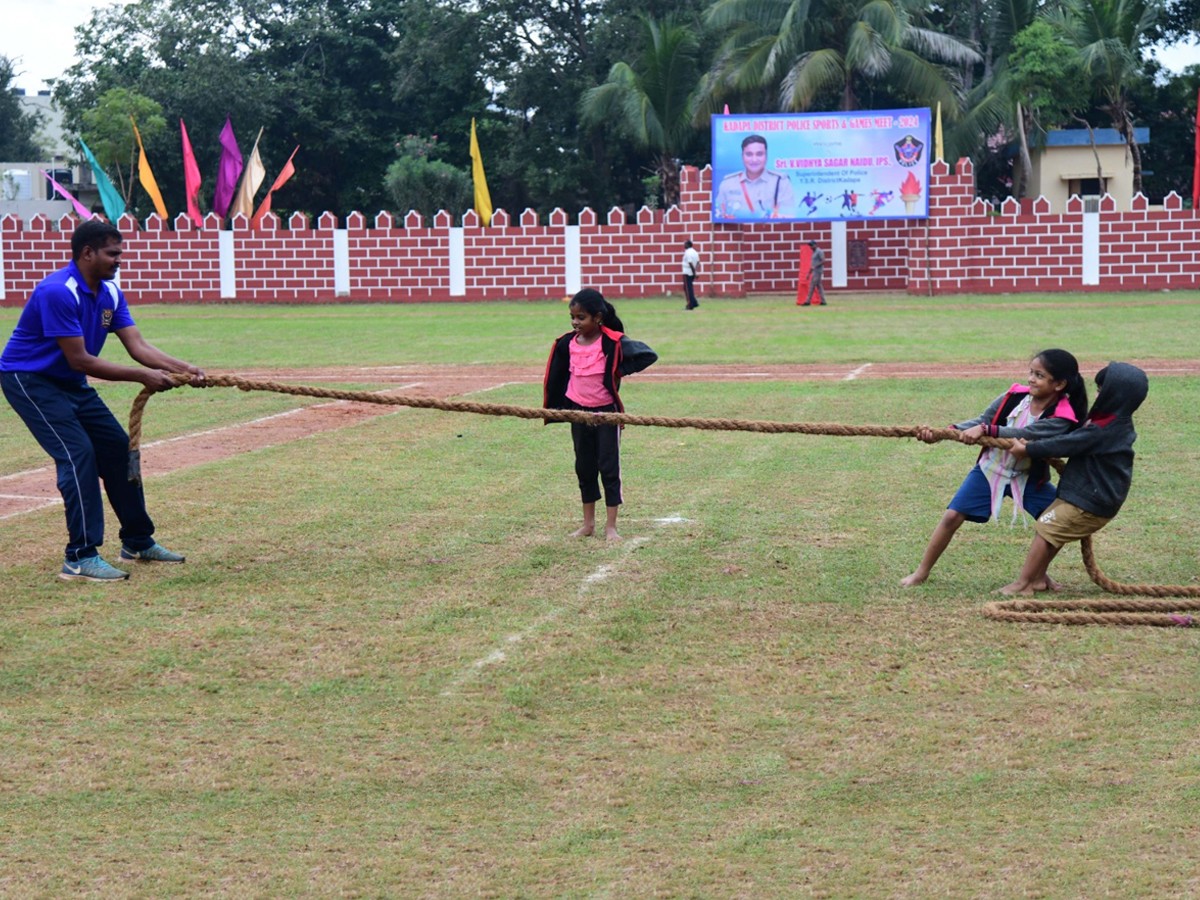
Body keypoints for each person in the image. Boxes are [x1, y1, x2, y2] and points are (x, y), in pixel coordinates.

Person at [0, 219, 206, 582]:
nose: (119, 260)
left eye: (120, 253)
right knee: (77, 453)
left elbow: (138, 346)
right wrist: (143, 376)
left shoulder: (110, 293)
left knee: (117, 449)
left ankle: (138, 541)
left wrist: (185, 368)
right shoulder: (58, 291)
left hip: (69, 381)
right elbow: (80, 359)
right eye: (113, 254)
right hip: (30, 380)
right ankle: (80, 556)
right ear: (87, 253)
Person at [901, 349, 1089, 587]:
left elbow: (1026, 434)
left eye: (1039, 375)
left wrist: (988, 430)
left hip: (1029, 477)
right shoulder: (1013, 396)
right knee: (951, 517)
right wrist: (945, 432)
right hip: (991, 469)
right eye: (1031, 372)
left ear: (1060, 384)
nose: (1031, 379)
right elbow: (983, 420)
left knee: (1055, 522)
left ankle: (1037, 575)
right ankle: (921, 573)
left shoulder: (1063, 416)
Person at [999, 362, 1149, 595]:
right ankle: (1037, 579)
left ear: (1115, 396)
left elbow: (1069, 443)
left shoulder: (1106, 429)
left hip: (1092, 501)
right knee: (1052, 532)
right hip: (1081, 495)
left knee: (1046, 528)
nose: (1097, 394)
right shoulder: (1105, 420)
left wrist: (1029, 449)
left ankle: (1023, 584)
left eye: (1101, 390)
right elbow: (1075, 437)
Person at [543, 289, 657, 540]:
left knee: (608, 467)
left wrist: (618, 370)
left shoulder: (612, 341)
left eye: (581, 317)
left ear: (598, 318)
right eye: (572, 317)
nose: (575, 322)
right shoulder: (567, 343)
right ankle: (588, 524)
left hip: (606, 414)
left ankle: (611, 527)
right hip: (578, 413)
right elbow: (558, 375)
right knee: (584, 467)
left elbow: (648, 354)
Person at [714, 135, 796, 219]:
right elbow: (718, 216)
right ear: (742, 156)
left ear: (766, 156)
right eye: (749, 154)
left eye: (759, 154)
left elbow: (788, 218)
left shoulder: (781, 182)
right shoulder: (727, 184)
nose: (754, 160)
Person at [803, 240, 827, 306]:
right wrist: (809, 273)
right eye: (810, 246)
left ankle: (807, 301)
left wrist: (815, 266)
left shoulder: (819, 251)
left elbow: (823, 260)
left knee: (812, 285)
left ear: (815, 245)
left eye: (811, 245)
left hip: (818, 271)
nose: (810, 247)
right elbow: (812, 265)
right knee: (819, 286)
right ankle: (823, 301)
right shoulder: (814, 252)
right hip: (815, 271)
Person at [682, 240, 700, 310]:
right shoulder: (695, 252)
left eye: (685, 244)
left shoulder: (687, 252)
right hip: (692, 272)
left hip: (687, 272)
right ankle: (694, 302)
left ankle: (690, 305)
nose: (684, 245)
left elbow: (690, 262)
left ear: (688, 245)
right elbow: (698, 262)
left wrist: (694, 273)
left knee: (687, 289)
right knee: (690, 288)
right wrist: (695, 271)